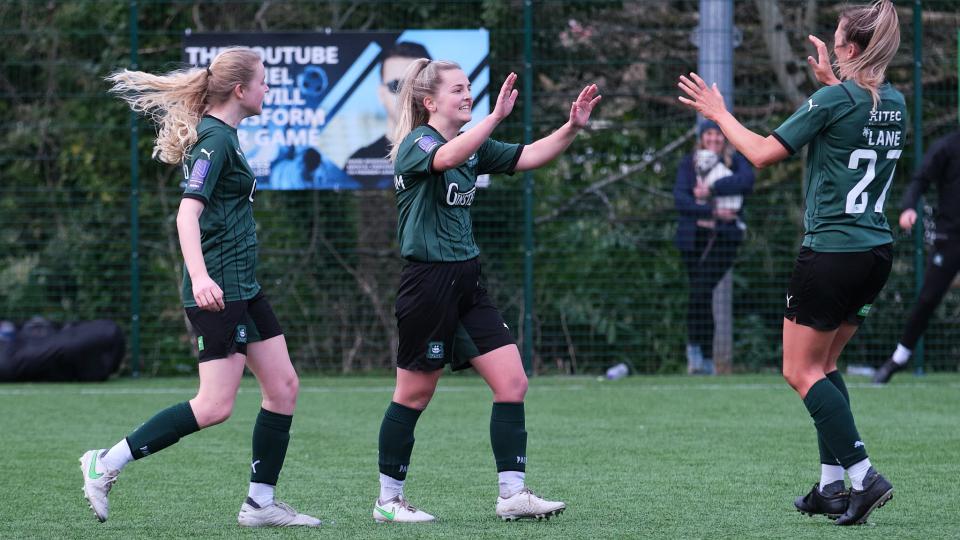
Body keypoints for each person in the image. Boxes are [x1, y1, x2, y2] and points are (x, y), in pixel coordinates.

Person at [679, 0, 902, 526]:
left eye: (837, 36)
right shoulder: (894, 99)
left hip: (832, 252)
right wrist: (831, 82)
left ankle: (864, 476)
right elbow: (852, 116)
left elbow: (758, 152)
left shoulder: (833, 99)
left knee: (797, 369)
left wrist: (718, 113)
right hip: (875, 253)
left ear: (849, 48)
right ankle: (829, 488)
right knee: (824, 366)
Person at [83, 47, 321, 527]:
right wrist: (200, 275)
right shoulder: (214, 141)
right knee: (214, 406)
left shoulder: (226, 137)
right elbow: (186, 213)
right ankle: (105, 463)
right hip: (220, 289)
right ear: (240, 90)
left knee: (284, 387)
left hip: (243, 287)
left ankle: (260, 505)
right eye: (263, 82)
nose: (267, 89)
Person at [372, 60, 600, 523]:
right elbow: (447, 159)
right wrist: (493, 117)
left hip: (467, 282)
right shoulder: (419, 143)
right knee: (414, 395)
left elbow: (530, 155)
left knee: (512, 382)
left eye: (469, 87)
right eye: (457, 89)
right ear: (429, 102)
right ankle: (388, 501)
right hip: (428, 284)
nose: (467, 94)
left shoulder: (471, 147)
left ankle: (512, 494)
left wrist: (572, 128)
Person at [873, 129, 960, 383]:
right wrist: (909, 207)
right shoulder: (947, 146)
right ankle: (899, 358)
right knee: (928, 299)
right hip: (951, 237)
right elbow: (920, 180)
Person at [674, 119, 755, 374]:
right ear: (701, 138)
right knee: (700, 295)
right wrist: (713, 210)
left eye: (718, 135)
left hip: (724, 239)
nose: (714, 139)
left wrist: (710, 189)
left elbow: (746, 181)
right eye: (709, 134)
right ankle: (700, 357)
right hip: (693, 239)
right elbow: (681, 199)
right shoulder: (689, 163)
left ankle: (700, 355)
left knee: (700, 290)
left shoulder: (736, 160)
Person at [344, 42, 432, 189]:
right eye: (396, 85)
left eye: (417, 84)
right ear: (381, 94)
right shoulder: (359, 162)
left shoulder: (456, 151)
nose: (407, 94)